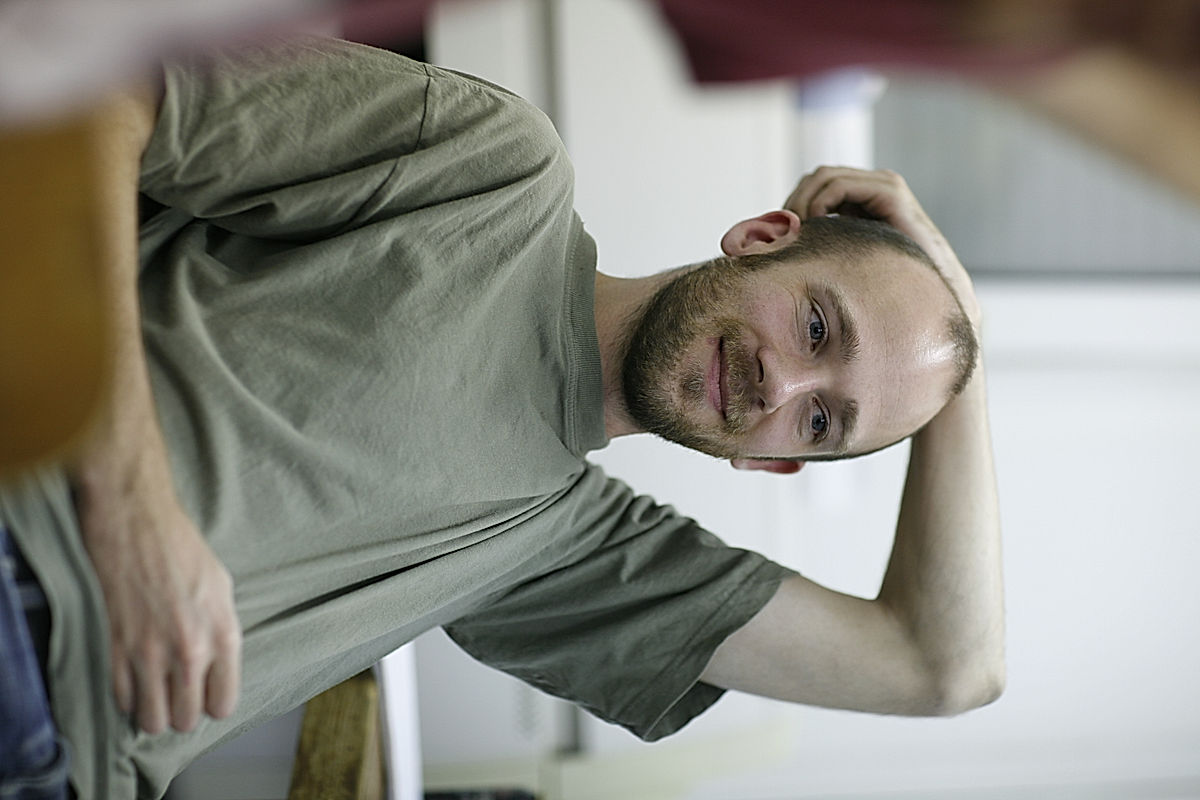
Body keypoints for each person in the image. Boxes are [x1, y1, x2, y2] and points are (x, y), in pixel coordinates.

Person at [0, 37, 1002, 799]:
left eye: (823, 422)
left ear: (773, 465)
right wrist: (130, 503)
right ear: (760, 235)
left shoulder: (569, 552)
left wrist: (965, 342)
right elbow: (94, 83)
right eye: (817, 324)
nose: (780, 387)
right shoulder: (495, 171)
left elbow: (943, 666)